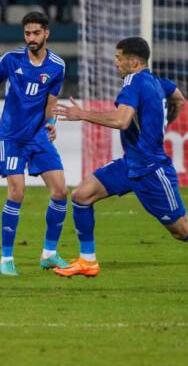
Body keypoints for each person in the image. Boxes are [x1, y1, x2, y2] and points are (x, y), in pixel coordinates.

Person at [53, 37, 188, 278]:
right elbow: (179, 98)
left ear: (134, 62)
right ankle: (88, 261)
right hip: (130, 164)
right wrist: (160, 125)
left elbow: (120, 120)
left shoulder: (133, 83)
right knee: (82, 195)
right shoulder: (159, 82)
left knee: (181, 230)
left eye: (119, 58)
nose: (116, 63)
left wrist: (82, 114)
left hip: (151, 170)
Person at [0, 11, 68, 276]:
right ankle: (6, 259)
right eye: (27, 33)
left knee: (61, 191)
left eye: (36, 33)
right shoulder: (11, 59)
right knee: (16, 192)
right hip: (12, 137)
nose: (31, 38)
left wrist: (53, 123)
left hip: (38, 136)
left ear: (46, 33)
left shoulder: (57, 65)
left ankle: (49, 254)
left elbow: (51, 100)